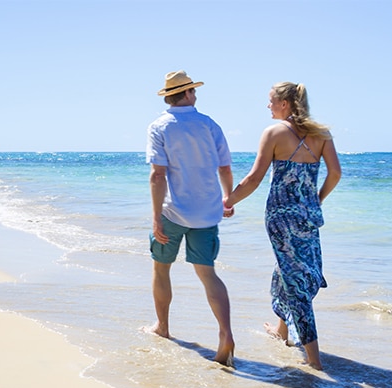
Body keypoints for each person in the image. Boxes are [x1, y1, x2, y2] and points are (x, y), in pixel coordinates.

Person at [223, 82, 341, 370]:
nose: (268, 106)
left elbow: (253, 179)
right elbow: (336, 173)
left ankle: (314, 360)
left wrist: (227, 200)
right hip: (308, 216)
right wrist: (316, 200)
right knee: (287, 271)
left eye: (271, 101)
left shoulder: (274, 133)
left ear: (285, 103)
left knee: (295, 280)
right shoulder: (321, 134)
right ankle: (281, 330)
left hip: (280, 217)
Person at [143, 70, 235, 367]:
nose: (196, 95)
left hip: (173, 211)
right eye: (194, 91)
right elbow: (224, 167)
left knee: (161, 269)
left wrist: (156, 217)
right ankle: (225, 333)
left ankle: (163, 327)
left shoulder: (160, 126)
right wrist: (228, 198)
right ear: (188, 94)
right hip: (207, 213)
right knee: (208, 275)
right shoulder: (209, 124)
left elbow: (158, 175)